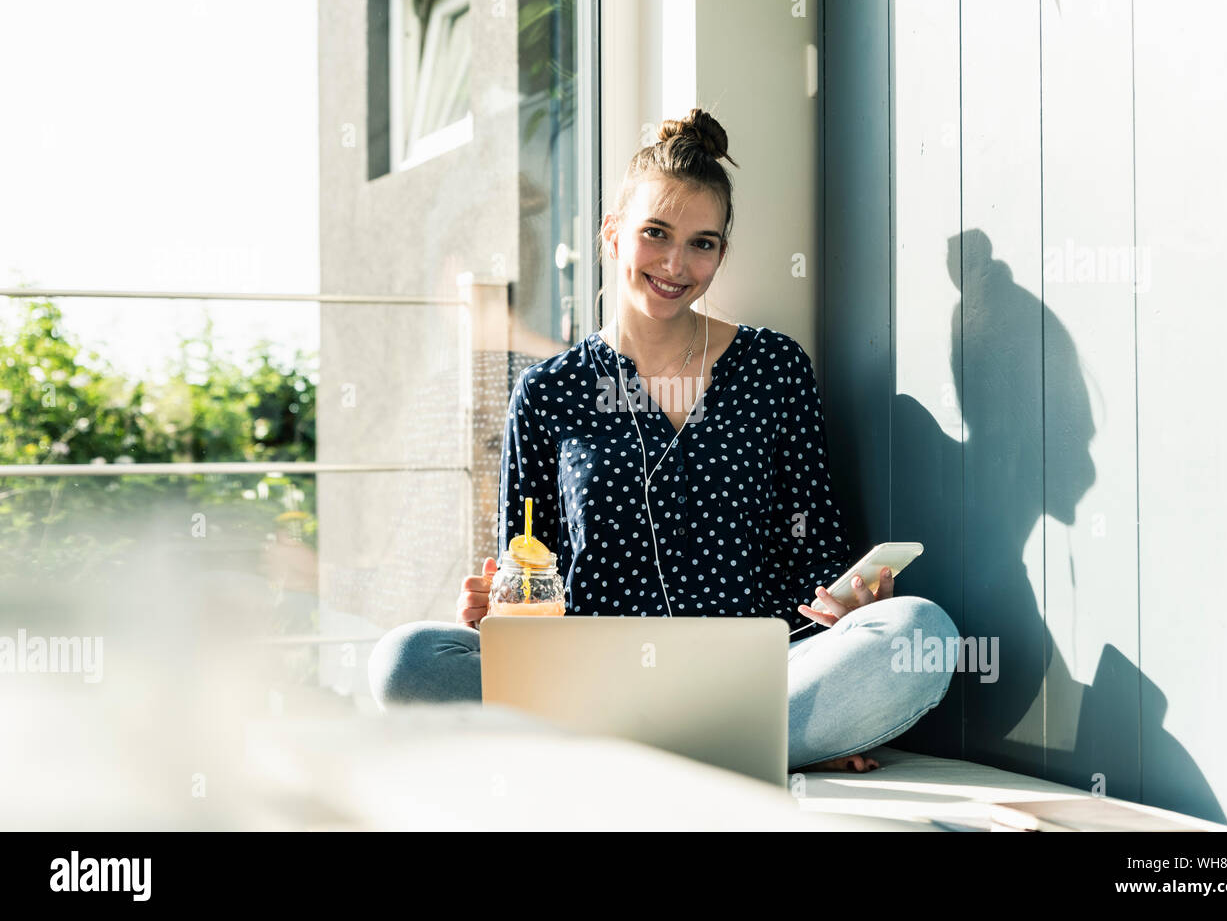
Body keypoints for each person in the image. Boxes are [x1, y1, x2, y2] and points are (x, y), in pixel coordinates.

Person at [369, 108, 959, 773]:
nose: (677, 264)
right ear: (613, 234)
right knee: (407, 660)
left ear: (721, 253)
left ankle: (693, 743)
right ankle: (760, 746)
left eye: (703, 243)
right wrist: (494, 615)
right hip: (592, 687)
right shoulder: (546, 394)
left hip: (759, 677)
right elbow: (527, 567)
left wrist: (847, 600)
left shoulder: (775, 368)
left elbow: (813, 547)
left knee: (921, 633)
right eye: (656, 233)